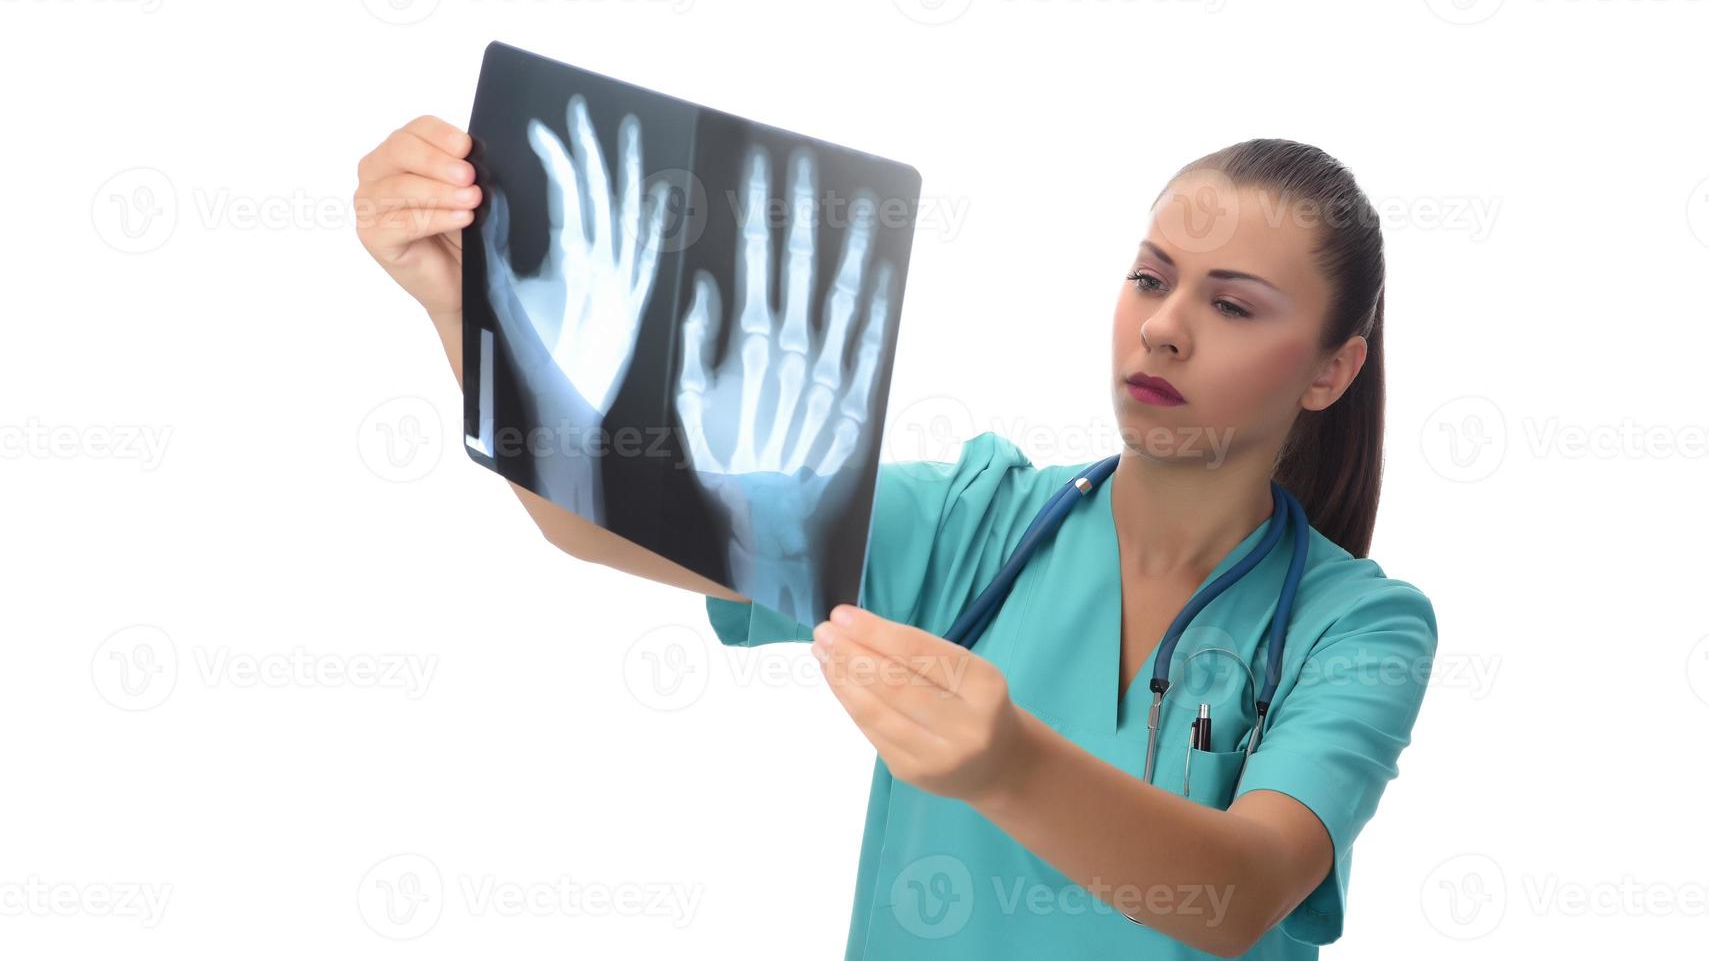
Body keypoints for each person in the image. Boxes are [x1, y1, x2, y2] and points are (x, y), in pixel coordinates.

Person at [356, 119, 1437, 959]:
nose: (1162, 325)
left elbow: (1242, 890)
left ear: (1329, 370)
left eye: (1233, 304)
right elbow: (603, 524)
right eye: (1148, 278)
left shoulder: (1354, 624)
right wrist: (465, 307)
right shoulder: (974, 520)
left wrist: (1007, 762)